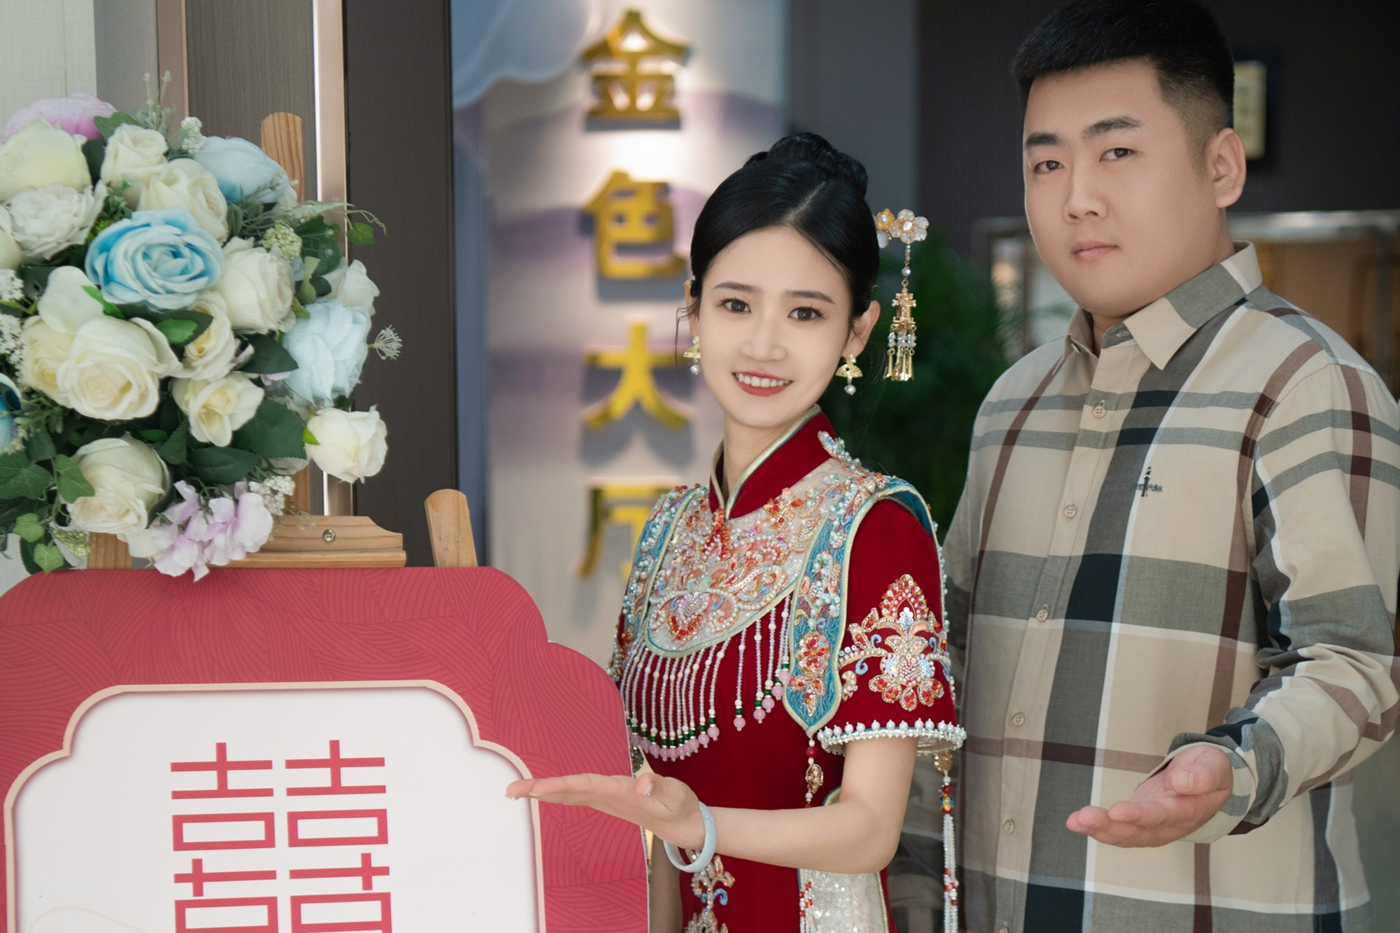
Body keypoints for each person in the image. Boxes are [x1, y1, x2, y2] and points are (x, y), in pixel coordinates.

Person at [942, 1, 1400, 931]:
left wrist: (1230, 765)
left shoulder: (1305, 382)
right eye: (1046, 163)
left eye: (1117, 151)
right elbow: (947, 660)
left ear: (1221, 165)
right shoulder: (1011, 403)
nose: (1076, 196)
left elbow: (1356, 663)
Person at [507, 134, 963, 932]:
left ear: (858, 332)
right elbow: (649, 799)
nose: (763, 344)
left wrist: (701, 824)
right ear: (693, 307)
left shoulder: (877, 527)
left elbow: (869, 828)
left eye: (806, 312)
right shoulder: (670, 528)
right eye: (736, 304)